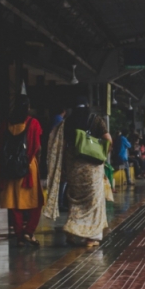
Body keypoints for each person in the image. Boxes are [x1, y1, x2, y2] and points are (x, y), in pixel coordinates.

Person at [44, 100, 110, 247]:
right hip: (92, 168)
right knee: (93, 202)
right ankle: (91, 237)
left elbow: (59, 144)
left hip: (73, 167)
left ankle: (72, 233)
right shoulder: (96, 120)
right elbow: (108, 139)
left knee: (75, 201)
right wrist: (102, 154)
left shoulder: (67, 123)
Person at [0, 96, 44, 246]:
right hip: (28, 167)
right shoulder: (33, 123)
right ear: (28, 108)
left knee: (15, 203)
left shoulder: (6, 124)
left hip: (10, 168)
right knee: (36, 202)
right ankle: (29, 232)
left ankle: (19, 236)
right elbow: (37, 146)